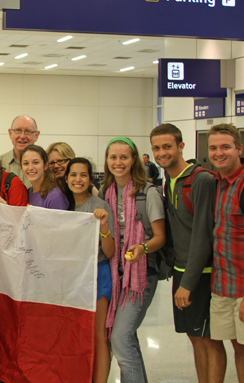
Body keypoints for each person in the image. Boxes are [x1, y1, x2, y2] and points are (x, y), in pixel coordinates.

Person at [150, 123, 226, 382]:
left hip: (202, 274)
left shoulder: (201, 179)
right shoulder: (168, 181)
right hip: (181, 271)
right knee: (196, 339)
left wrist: (189, 283)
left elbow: (203, 235)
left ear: (181, 146)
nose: (162, 152)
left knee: (210, 340)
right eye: (157, 148)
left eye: (167, 146)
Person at [99, 137, 166, 383]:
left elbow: (160, 237)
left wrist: (142, 247)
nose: (118, 162)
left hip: (141, 276)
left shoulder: (147, 194)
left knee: (120, 338)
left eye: (124, 157)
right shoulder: (106, 193)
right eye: (113, 157)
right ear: (106, 161)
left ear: (134, 160)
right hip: (117, 275)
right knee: (128, 338)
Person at [63, 157, 114, 383]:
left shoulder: (99, 206)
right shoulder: (62, 205)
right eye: (73, 175)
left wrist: (103, 228)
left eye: (83, 175)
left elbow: (110, 251)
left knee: (98, 335)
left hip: (96, 274)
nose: (78, 179)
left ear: (90, 178)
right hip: (71, 278)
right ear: (66, 178)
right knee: (73, 334)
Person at [207, 123, 244, 382]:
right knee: (230, 344)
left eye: (225, 147)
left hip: (242, 288)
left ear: (239, 149)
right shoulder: (216, 183)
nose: (219, 153)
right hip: (222, 285)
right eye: (213, 148)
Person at [21, 144, 68, 210]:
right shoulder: (27, 193)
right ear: (21, 168)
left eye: (36, 162)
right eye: (26, 163)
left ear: (45, 166)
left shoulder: (54, 196)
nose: (30, 168)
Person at [0, 115, 40, 188]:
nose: (22, 136)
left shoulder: (46, 164)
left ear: (36, 135)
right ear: (10, 133)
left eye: (28, 131)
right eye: (18, 131)